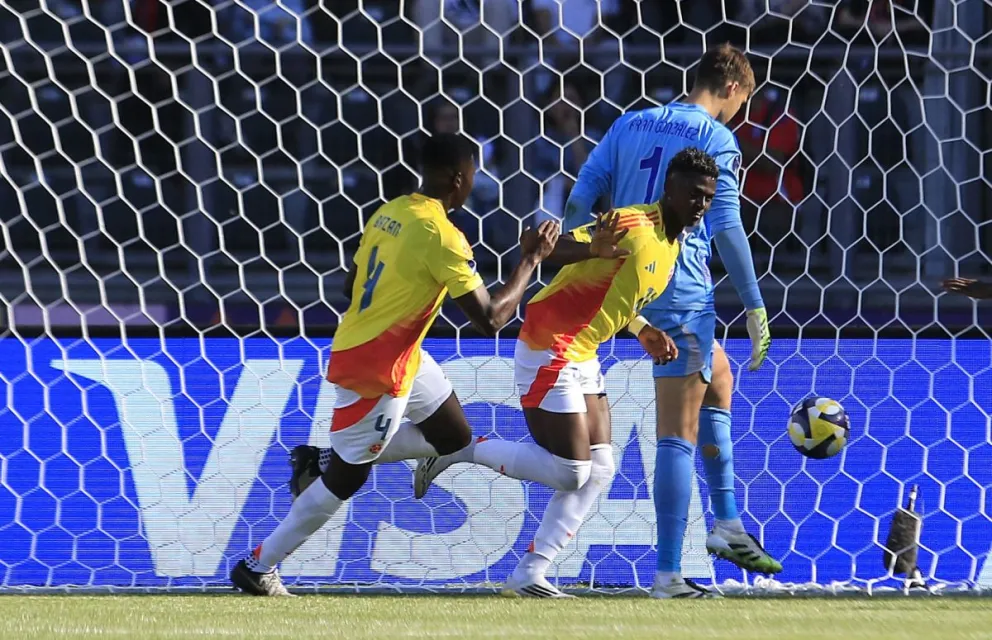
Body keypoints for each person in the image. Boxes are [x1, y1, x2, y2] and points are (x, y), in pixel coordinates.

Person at [229, 133, 568, 596]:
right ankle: (258, 564)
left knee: (453, 436)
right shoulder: (443, 236)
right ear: (458, 178)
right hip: (378, 367)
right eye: (473, 173)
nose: (474, 182)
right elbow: (491, 319)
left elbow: (349, 287)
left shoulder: (389, 212)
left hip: (397, 351)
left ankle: (326, 456)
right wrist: (531, 260)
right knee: (347, 481)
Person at [413, 148, 720, 598]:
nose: (700, 204)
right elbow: (539, 242)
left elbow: (617, 292)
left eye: (708, 197)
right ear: (669, 189)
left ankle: (529, 573)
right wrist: (591, 246)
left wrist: (642, 328)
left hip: (584, 351)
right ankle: (456, 453)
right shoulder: (631, 224)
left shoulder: (673, 245)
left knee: (601, 467)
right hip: (550, 344)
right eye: (693, 193)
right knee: (574, 471)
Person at [561, 43, 782, 598]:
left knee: (720, 377)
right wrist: (754, 304)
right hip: (681, 292)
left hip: (627, 282)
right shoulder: (716, 139)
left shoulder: (628, 123)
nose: (739, 113)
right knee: (677, 433)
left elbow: (580, 198)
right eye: (743, 101)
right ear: (732, 89)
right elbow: (727, 227)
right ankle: (667, 575)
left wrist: (580, 259)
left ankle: (726, 523)